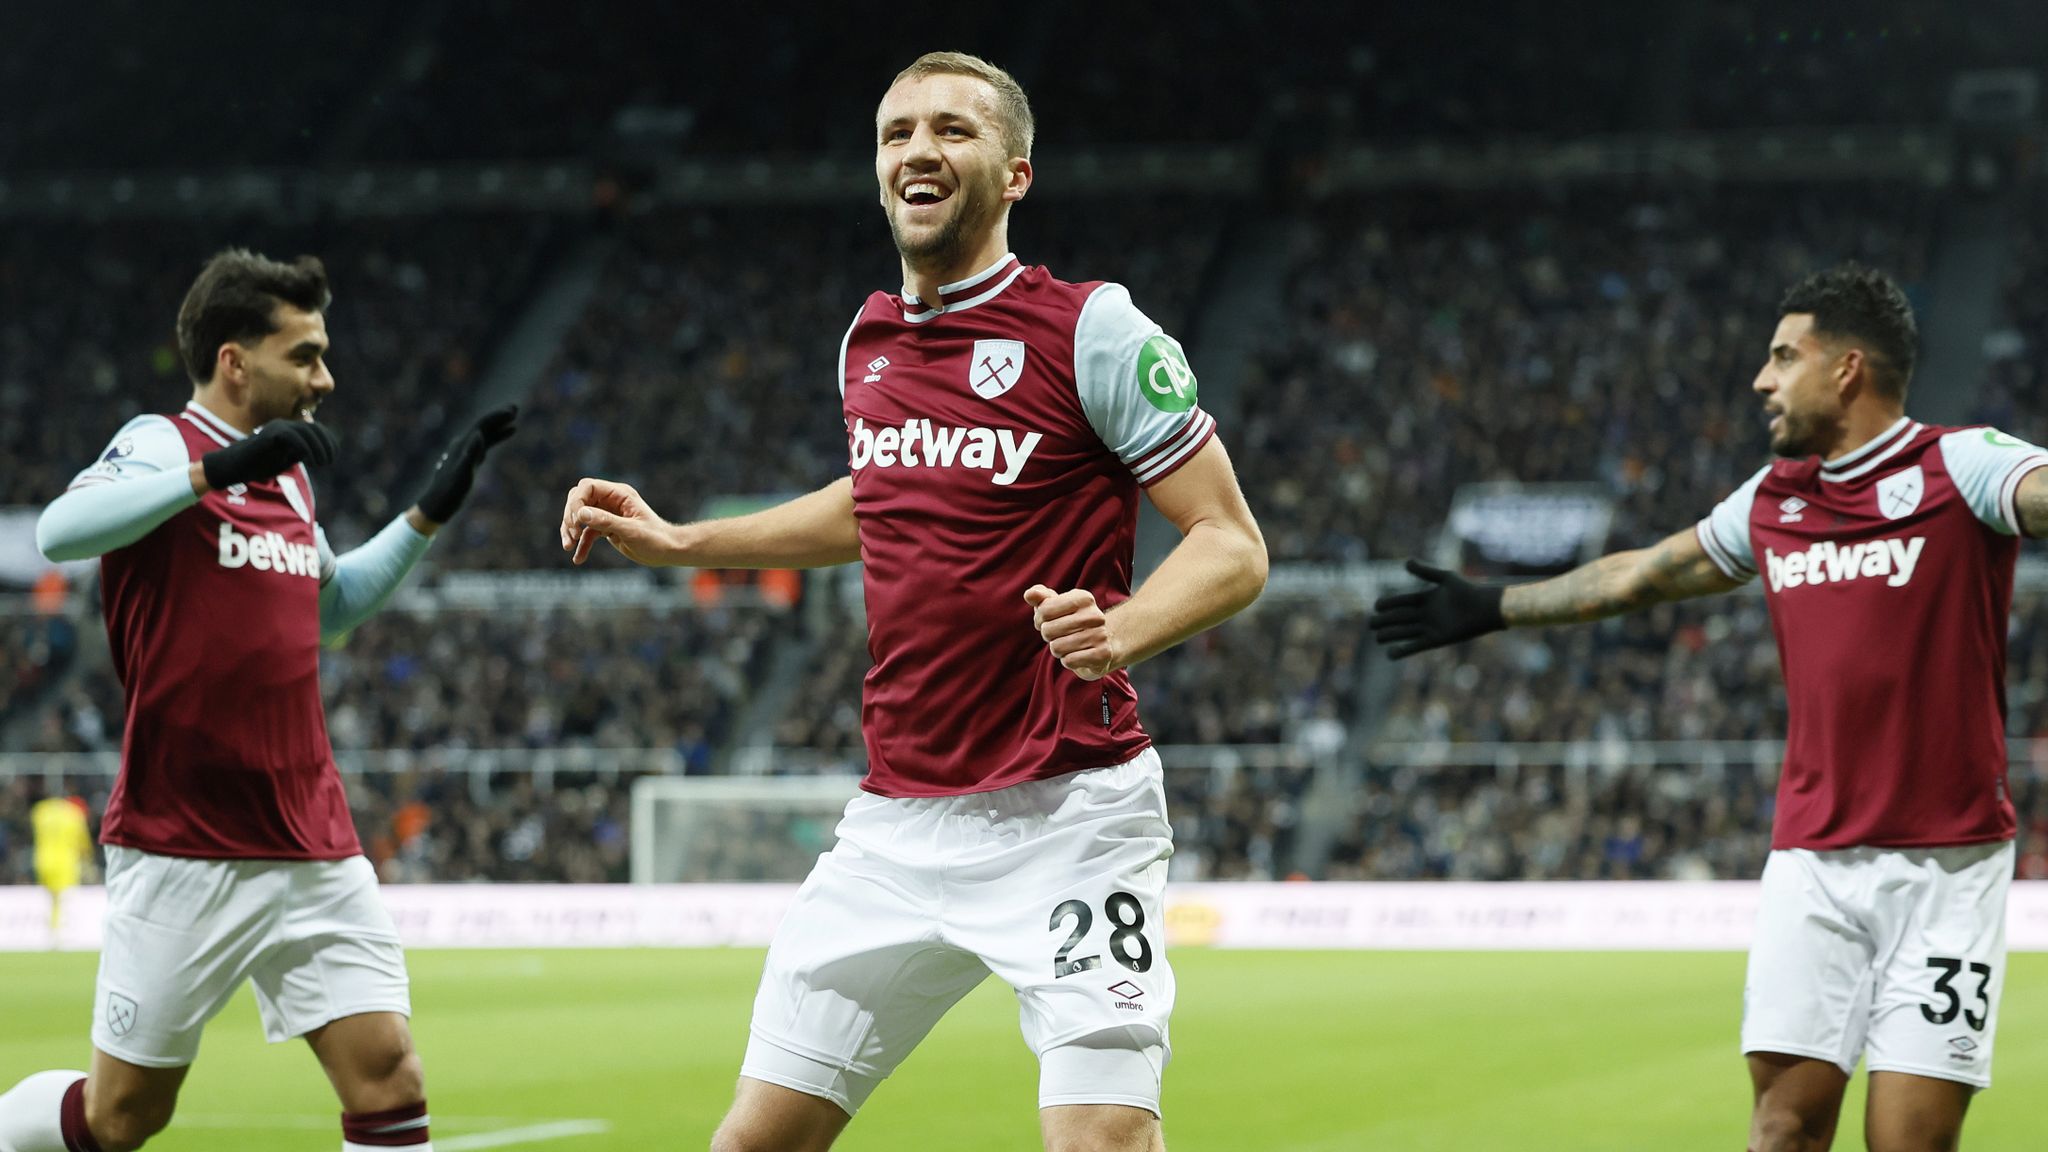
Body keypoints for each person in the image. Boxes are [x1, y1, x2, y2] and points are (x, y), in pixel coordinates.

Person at [562, 51, 1266, 1152]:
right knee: (750, 1145)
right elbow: (881, 501)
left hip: (1070, 817)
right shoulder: (869, 341)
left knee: (1101, 1143)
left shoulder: (1092, 331)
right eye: (896, 134)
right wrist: (686, 538)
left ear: (1015, 172)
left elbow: (1231, 542)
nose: (917, 152)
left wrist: (1121, 629)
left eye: (952, 130)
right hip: (894, 827)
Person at [1369, 264, 2047, 1152]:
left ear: (1846, 368)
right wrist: (1494, 604)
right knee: (1781, 1131)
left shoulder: (1960, 466)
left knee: (1909, 1145)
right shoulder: (1772, 502)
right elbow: (1645, 572)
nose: (1762, 381)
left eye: (1782, 357)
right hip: (1811, 864)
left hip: (1949, 871)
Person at [0, 249, 517, 1152]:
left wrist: (430, 509)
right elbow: (58, 532)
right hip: (185, 840)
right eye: (305, 354)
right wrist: (217, 471)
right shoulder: (168, 443)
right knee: (124, 1117)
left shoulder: (290, 474)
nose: (326, 376)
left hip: (311, 836)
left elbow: (334, 610)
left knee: (387, 1072)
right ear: (236, 361)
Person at [30, 794, 92, 944]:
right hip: (65, 861)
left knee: (50, 898)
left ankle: (50, 931)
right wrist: (87, 858)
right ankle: (59, 934)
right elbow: (83, 843)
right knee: (64, 898)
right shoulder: (74, 815)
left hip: (42, 859)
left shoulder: (40, 810)